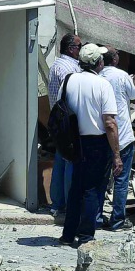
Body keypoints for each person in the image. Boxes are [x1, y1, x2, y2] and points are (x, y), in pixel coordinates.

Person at [60, 43, 122, 247]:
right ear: (98, 63)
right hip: (96, 142)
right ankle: (86, 235)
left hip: (74, 141)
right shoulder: (102, 84)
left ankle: (68, 234)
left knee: (76, 188)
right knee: (93, 190)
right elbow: (110, 122)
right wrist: (116, 154)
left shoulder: (68, 80)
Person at [98, 48, 135, 230]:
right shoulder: (122, 76)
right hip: (122, 135)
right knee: (121, 179)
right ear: (116, 60)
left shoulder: (98, 77)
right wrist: (134, 81)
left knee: (101, 178)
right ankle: (117, 219)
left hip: (102, 135)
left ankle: (96, 217)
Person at [47, 33, 82, 216]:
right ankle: (70, 203)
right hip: (69, 120)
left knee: (60, 159)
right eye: (79, 46)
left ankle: (57, 203)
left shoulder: (56, 65)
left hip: (57, 119)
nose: (80, 50)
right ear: (71, 48)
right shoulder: (70, 68)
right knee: (71, 161)